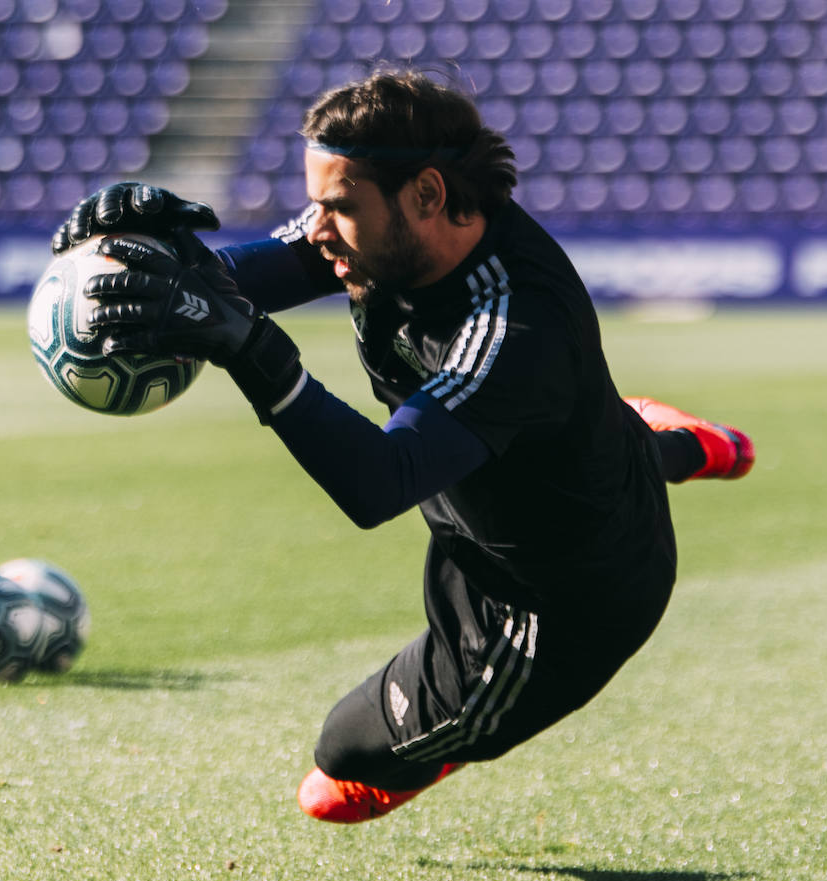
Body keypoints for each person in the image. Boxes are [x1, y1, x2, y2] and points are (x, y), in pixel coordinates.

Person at [52, 68, 754, 824]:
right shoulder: (389, 234)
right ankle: (663, 438)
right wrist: (141, 255)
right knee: (574, 452)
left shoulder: (518, 327)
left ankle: (436, 734)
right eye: (316, 204)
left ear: (426, 194)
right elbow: (239, 279)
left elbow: (381, 482)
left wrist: (253, 349)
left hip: (552, 600)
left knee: (334, 775)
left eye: (338, 207)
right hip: (539, 476)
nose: (317, 229)